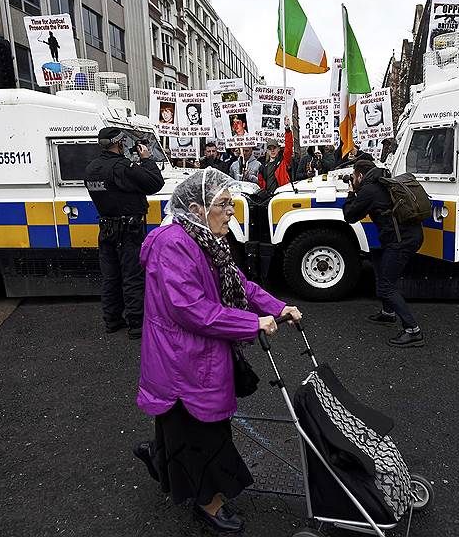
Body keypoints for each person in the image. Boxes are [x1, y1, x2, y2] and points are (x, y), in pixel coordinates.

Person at [134, 169, 302, 533]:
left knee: (187, 426)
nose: (231, 212)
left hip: (194, 355)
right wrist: (251, 323)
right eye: (224, 205)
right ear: (196, 208)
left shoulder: (204, 239)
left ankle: (161, 459)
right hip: (181, 360)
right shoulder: (173, 243)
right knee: (202, 432)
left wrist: (276, 307)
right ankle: (208, 504)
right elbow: (190, 309)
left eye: (231, 204)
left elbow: (239, 284)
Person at [84, 127, 165, 339]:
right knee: (132, 276)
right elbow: (155, 183)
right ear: (120, 143)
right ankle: (136, 323)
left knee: (111, 276)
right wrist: (146, 159)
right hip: (129, 230)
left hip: (106, 228)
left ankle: (111, 320)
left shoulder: (91, 168)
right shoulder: (122, 167)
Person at [342, 160, 425, 348]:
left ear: (361, 176)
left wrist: (350, 192)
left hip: (401, 241)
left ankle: (413, 331)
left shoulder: (368, 190)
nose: (353, 180)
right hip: (404, 236)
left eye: (353, 177)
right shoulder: (383, 181)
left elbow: (350, 215)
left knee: (386, 285)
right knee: (379, 265)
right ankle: (388, 313)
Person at [258, 117, 293, 194]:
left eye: (274, 148)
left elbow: (289, 148)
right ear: (267, 151)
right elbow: (261, 183)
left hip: (282, 195)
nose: (272, 150)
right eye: (270, 149)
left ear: (278, 149)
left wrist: (287, 129)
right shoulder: (263, 166)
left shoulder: (283, 161)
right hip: (268, 197)